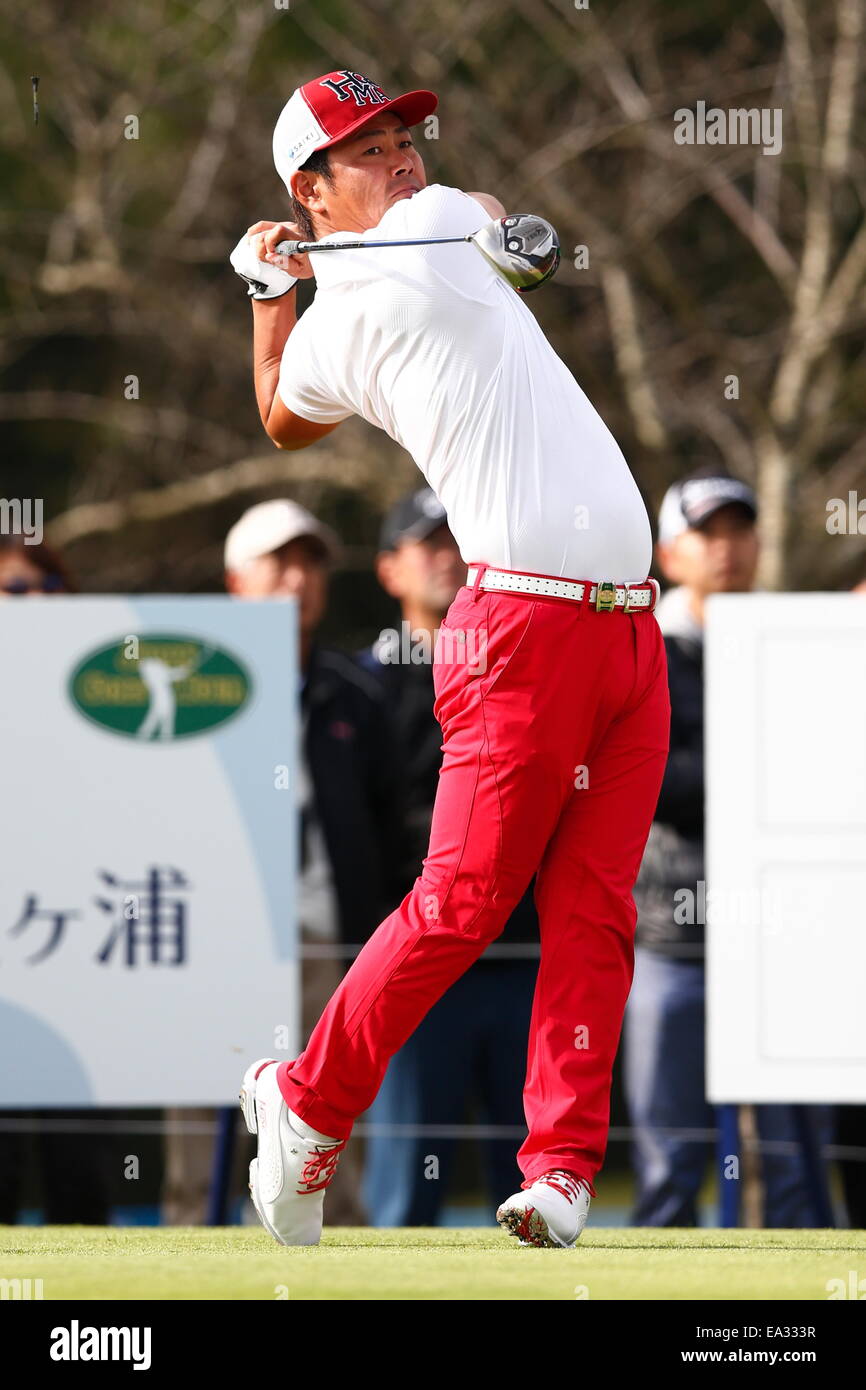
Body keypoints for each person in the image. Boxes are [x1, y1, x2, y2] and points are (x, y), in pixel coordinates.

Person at [231, 69, 670, 1249]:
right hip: (521, 626)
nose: (404, 159)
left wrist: (270, 294)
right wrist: (297, 285)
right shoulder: (419, 238)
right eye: (369, 149)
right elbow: (472, 215)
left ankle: (559, 1166)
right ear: (310, 188)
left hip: (626, 628)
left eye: (405, 139)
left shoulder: (365, 288)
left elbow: (278, 410)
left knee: (593, 907)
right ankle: (305, 1096)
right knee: (463, 900)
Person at [161, 499, 404, 1225]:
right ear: (237, 580)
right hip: (211, 941)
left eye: (311, 564)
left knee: (330, 1148)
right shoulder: (183, 686)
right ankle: (185, 1263)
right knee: (197, 1154)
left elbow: (390, 826)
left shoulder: (355, 694)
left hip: (326, 940)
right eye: (280, 563)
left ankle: (336, 1265)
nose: (298, 579)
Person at [623, 469, 834, 1226]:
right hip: (670, 936)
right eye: (708, 532)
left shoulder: (795, 644)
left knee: (791, 1169)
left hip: (780, 940)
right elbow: (654, 782)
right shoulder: (638, 646)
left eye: (740, 530)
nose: (728, 547)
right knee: (669, 1167)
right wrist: (759, 767)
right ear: (668, 553)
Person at [358, 486, 540, 1225]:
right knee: (405, 1194)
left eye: (457, 542)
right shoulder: (362, 687)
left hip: (522, 956)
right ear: (387, 570)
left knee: (528, 1190)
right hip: (417, 964)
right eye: (428, 543)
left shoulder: (521, 669)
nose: (448, 557)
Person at [0, 536, 116, 1224]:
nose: (37, 603)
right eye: (16, 590)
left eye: (49, 588)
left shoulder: (106, 701)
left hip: (79, 956)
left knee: (81, 1173)